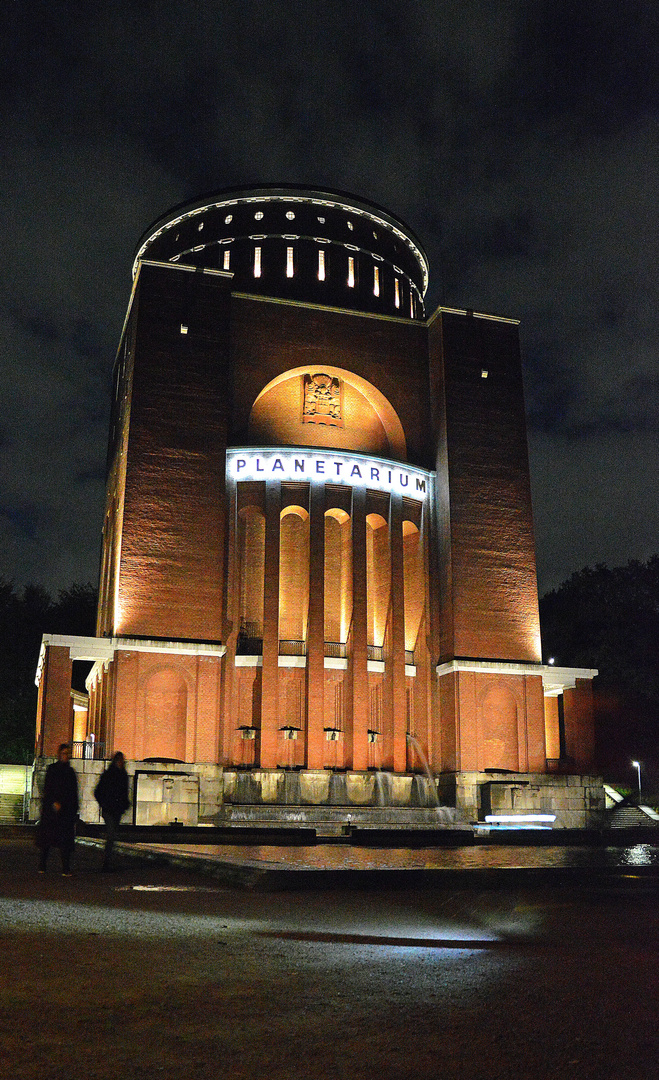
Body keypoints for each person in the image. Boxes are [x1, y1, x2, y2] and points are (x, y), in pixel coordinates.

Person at [37, 743, 79, 875]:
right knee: (48, 840)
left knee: (65, 841)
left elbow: (73, 792)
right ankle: (42, 865)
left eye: (68, 754)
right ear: (59, 754)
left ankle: (65, 868)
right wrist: (54, 802)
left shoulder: (70, 772)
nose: (66, 756)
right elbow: (48, 788)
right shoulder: (53, 769)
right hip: (52, 811)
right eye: (64, 753)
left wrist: (74, 808)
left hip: (66, 811)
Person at [94, 752, 130, 871]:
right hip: (110, 809)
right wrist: (104, 804)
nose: (121, 763)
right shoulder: (111, 774)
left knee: (112, 835)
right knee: (111, 834)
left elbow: (124, 793)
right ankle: (107, 861)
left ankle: (108, 860)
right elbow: (98, 791)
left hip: (116, 809)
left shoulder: (120, 775)